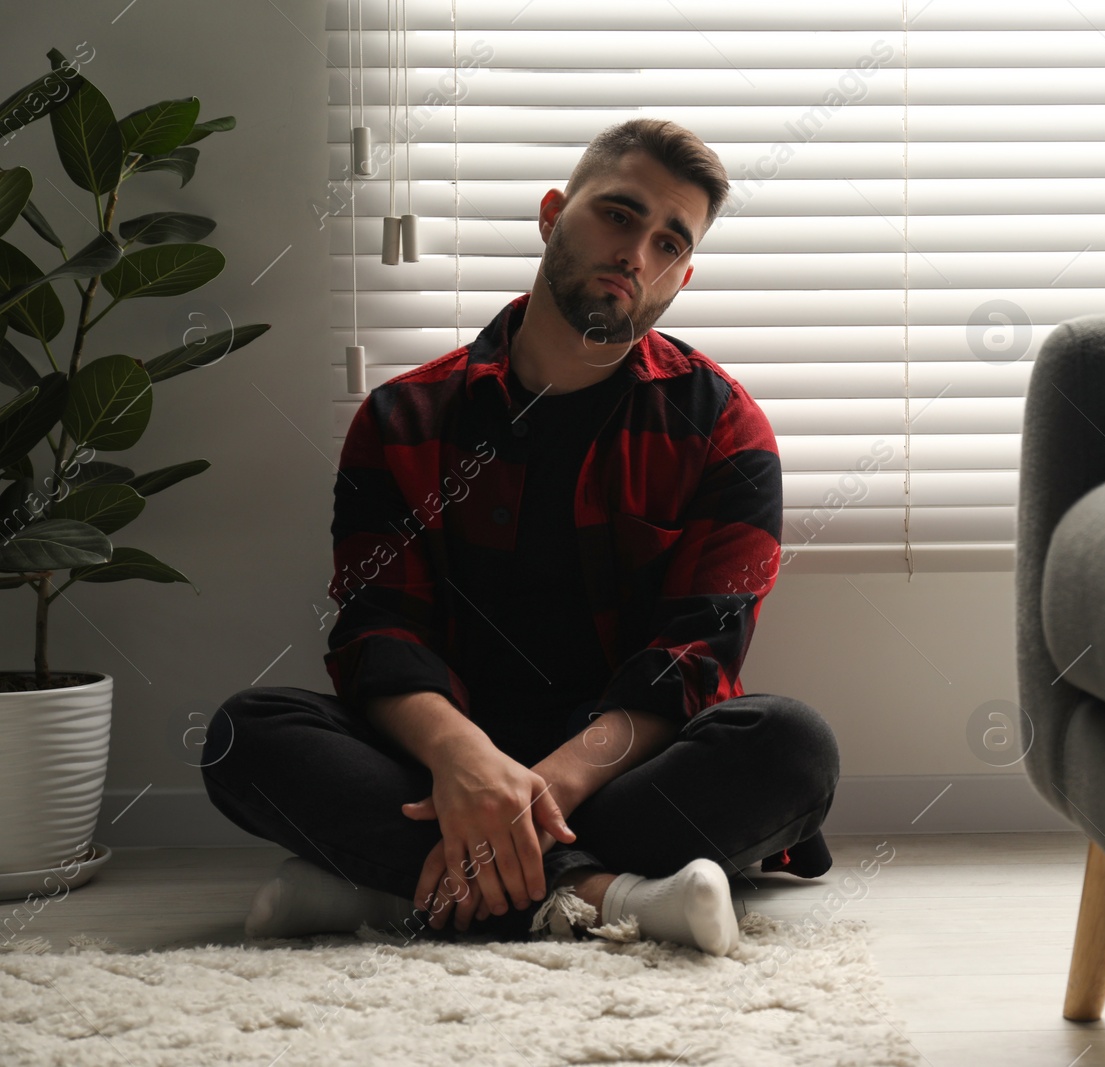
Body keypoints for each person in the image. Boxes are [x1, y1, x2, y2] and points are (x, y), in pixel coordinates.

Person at [201, 118, 840, 957]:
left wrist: (534, 792)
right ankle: (611, 894)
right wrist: (466, 764)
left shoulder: (724, 425)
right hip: (439, 764)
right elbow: (377, 633)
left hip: (622, 771)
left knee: (791, 745)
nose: (635, 254)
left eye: (667, 241)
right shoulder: (402, 417)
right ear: (551, 215)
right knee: (246, 730)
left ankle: (390, 890)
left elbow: (694, 660)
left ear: (683, 275)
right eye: (618, 214)